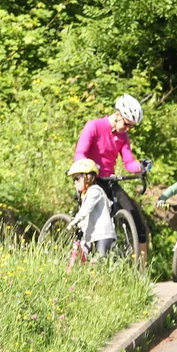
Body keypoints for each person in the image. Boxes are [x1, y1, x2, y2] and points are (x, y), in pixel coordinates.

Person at [73, 94, 152, 266]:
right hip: (91, 179)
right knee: (98, 221)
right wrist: (88, 169)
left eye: (132, 126)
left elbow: (129, 163)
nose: (128, 128)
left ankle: (142, 273)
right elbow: (80, 153)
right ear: (117, 115)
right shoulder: (94, 126)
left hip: (109, 180)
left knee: (136, 218)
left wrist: (141, 166)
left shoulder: (123, 136)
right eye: (127, 124)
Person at [66, 158, 115, 260]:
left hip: (103, 234)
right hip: (92, 236)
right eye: (74, 180)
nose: (75, 182)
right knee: (83, 260)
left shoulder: (95, 191)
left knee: (99, 262)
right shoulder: (85, 194)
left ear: (88, 178)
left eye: (77, 178)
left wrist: (74, 222)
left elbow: (86, 209)